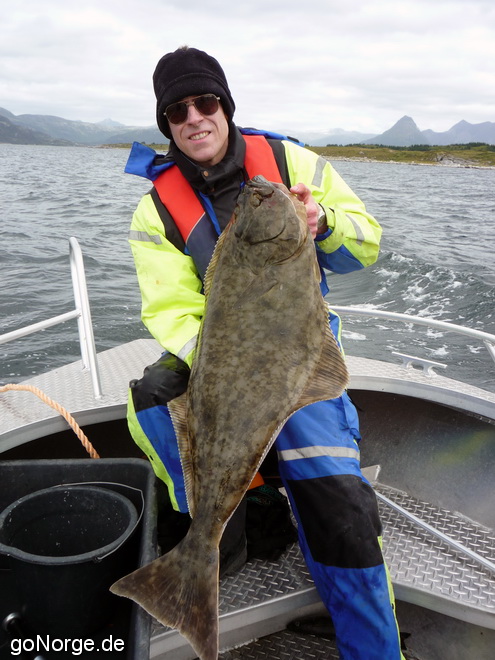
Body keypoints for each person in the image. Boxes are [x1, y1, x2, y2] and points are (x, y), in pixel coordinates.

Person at [125, 45, 405, 660]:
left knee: (339, 501)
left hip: (300, 354)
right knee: (151, 400)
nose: (194, 118)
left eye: (206, 102)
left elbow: (366, 246)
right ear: (166, 123)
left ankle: (375, 650)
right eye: (177, 111)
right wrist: (225, 368)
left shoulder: (289, 163)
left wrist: (323, 223)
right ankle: (227, 523)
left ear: (226, 106)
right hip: (217, 352)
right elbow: (169, 309)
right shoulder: (155, 209)